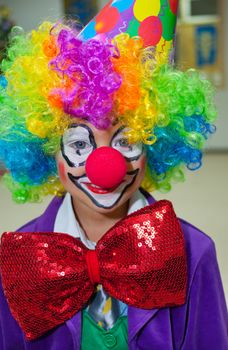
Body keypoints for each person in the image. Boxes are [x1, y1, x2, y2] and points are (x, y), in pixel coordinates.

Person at [0, 1, 227, 349]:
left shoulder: (193, 254)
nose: (105, 166)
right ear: (47, 150)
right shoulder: (22, 261)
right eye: (79, 143)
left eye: (127, 140)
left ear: (157, 144)